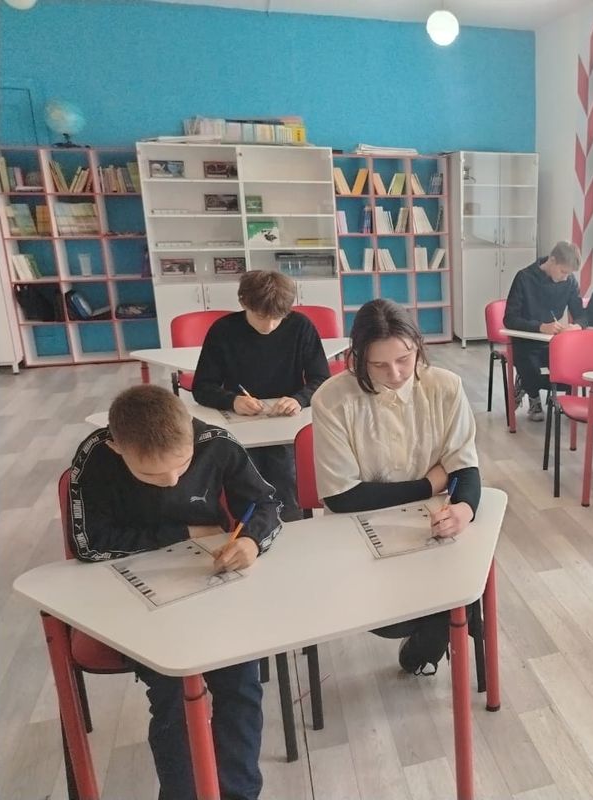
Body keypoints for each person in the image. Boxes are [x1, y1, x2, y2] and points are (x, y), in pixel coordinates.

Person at [70, 384, 282, 800]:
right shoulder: (95, 455)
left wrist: (251, 541)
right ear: (117, 447)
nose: (171, 481)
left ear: (191, 434)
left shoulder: (215, 441)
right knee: (172, 695)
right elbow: (88, 543)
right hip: (135, 597)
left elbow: (267, 504)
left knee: (241, 684)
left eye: (183, 465)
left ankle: (240, 794)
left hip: (210, 584)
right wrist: (183, 532)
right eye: (151, 474)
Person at [312, 299, 482, 675]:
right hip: (357, 528)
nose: (396, 373)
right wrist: (429, 483)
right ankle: (433, 635)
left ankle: (432, 637)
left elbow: (464, 466)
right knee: (396, 617)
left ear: (418, 346)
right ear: (358, 359)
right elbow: (343, 496)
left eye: (405, 359)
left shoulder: (445, 386)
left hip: (427, 525)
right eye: (379, 365)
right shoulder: (332, 399)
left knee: (462, 585)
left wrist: (464, 509)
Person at [193, 270, 329, 521]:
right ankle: (251, 528)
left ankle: (290, 525)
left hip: (284, 424)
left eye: (277, 318)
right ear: (244, 302)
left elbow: (321, 379)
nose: (269, 326)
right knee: (245, 478)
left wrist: (299, 399)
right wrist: (232, 400)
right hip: (242, 424)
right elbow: (202, 386)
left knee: (285, 475)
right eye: (260, 316)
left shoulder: (300, 326)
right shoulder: (223, 330)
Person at [503, 241, 587, 421]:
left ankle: (526, 384)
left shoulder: (569, 281)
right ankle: (533, 395)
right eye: (563, 271)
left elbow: (581, 315)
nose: (565, 277)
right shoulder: (524, 278)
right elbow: (509, 319)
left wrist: (576, 326)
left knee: (570, 375)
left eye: (569, 274)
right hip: (525, 341)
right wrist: (540, 327)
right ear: (552, 260)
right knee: (530, 368)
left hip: (553, 342)